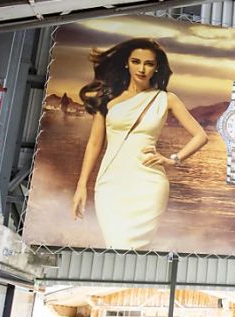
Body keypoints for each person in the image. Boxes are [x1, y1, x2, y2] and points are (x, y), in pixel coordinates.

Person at [72, 38, 208, 249]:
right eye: (136, 61)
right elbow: (94, 144)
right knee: (115, 244)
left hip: (149, 185)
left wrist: (173, 159)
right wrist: (81, 185)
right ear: (127, 63)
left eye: (149, 64)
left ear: (156, 68)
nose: (142, 69)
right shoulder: (107, 98)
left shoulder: (166, 99)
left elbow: (200, 136)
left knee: (134, 249)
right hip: (111, 183)